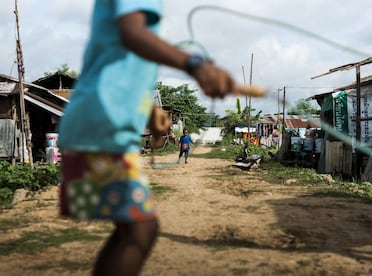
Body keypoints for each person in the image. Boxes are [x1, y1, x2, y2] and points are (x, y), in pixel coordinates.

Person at [57, 1, 238, 275]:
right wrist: (196, 65)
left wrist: (150, 111)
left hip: (96, 123)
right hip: (101, 124)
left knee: (130, 229)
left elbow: (118, 67)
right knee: (140, 230)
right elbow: (132, 33)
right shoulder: (135, 14)